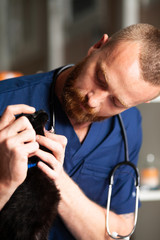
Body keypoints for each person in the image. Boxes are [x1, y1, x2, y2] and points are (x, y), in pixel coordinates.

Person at [0, 23, 160, 240]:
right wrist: (5, 183)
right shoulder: (5, 100)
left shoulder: (128, 126)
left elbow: (117, 234)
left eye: (116, 102)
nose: (93, 101)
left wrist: (59, 180)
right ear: (97, 46)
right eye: (100, 78)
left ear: (140, 102)